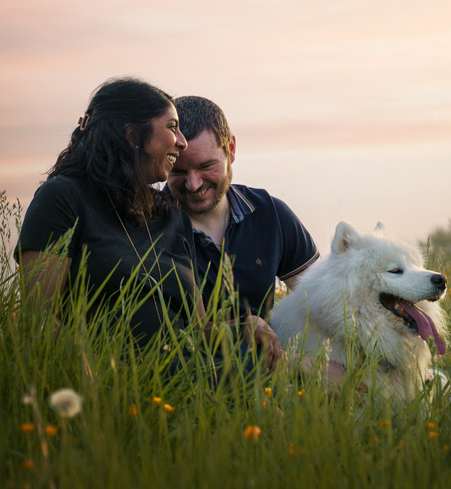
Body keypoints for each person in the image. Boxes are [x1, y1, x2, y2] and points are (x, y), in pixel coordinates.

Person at [15, 78, 282, 369]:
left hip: (195, 372)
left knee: (297, 393)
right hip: (118, 382)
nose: (181, 141)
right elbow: (38, 319)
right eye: (171, 127)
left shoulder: (173, 217)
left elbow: (199, 332)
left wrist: (245, 325)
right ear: (133, 135)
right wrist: (99, 379)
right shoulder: (63, 198)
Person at [165, 95, 320, 319]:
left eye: (206, 166)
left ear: (231, 149)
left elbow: (321, 302)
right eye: (178, 171)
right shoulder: (147, 225)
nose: (194, 184)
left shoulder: (271, 213)